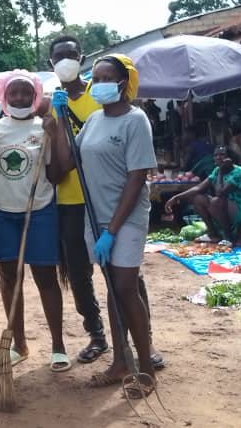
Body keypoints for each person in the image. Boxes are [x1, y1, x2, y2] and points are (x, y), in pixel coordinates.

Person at [0, 70, 71, 372]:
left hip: (39, 211)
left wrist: (56, 133)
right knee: (10, 278)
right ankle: (19, 344)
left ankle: (58, 346)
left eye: (26, 93)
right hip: (1, 213)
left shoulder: (45, 127)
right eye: (13, 93)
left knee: (45, 277)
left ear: (35, 96)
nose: (20, 98)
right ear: (4, 96)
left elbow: (57, 173)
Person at [74, 54, 159, 397]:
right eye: (94, 79)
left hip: (127, 217)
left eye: (106, 78)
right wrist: (55, 123)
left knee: (125, 286)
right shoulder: (94, 120)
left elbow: (137, 177)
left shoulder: (135, 120)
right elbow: (71, 159)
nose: (98, 84)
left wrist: (112, 230)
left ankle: (146, 368)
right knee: (112, 286)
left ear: (122, 83)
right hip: (95, 216)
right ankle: (121, 361)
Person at [46, 35, 109, 365]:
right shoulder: (49, 107)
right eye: (59, 57)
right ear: (51, 64)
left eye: (71, 55)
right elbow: (55, 170)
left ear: (82, 58)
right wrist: (56, 125)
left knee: (119, 270)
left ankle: (139, 335)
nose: (65, 61)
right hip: (68, 202)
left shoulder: (99, 97)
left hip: (102, 199)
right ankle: (96, 334)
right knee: (78, 273)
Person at [166, 146, 241, 248]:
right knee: (198, 199)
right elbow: (199, 188)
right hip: (229, 205)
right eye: (216, 155)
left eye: (222, 155)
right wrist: (176, 197)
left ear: (230, 158)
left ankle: (228, 237)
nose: (218, 157)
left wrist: (221, 172)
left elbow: (219, 193)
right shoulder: (217, 170)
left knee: (216, 201)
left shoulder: (238, 173)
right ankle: (213, 234)